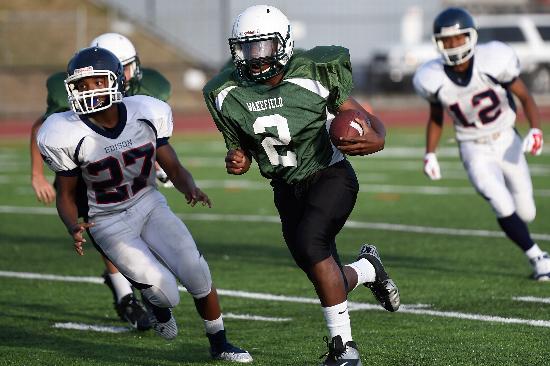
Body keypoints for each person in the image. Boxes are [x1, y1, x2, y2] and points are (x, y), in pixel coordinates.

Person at [203, 5, 400, 366]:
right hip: (284, 186)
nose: (255, 57)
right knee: (317, 265)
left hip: (330, 175)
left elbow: (364, 117)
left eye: (263, 47)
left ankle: (345, 349)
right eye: (247, 49)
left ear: (284, 44)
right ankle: (369, 269)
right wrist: (238, 159)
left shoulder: (314, 73)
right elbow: (240, 148)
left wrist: (379, 138)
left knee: (312, 243)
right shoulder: (226, 91)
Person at [37, 46, 253, 363]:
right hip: (108, 221)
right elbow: (66, 194)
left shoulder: (146, 113)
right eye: (81, 86)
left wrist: (188, 186)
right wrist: (73, 225)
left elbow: (174, 166)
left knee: (195, 271)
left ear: (115, 81)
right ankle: (156, 305)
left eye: (96, 82)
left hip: (149, 203)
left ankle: (219, 341)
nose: (88, 91)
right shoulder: (64, 133)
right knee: (166, 292)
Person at [29, 33, 173, 330]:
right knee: (106, 232)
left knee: (145, 226)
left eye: (126, 68)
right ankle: (125, 297)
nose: (98, 87)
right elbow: (41, 126)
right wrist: (36, 175)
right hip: (84, 171)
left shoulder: (148, 90)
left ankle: (139, 284)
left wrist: (158, 164)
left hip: (125, 168)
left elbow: (149, 134)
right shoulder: (73, 93)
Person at [413, 7, 549, 281]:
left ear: (471, 36)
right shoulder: (432, 77)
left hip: (507, 139)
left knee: (527, 211)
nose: (453, 45)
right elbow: (436, 117)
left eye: (458, 38)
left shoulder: (493, 59)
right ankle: (538, 258)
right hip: (472, 147)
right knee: (499, 200)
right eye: (447, 40)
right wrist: (430, 153)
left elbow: (525, 97)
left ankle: (533, 248)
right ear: (438, 43)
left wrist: (536, 129)